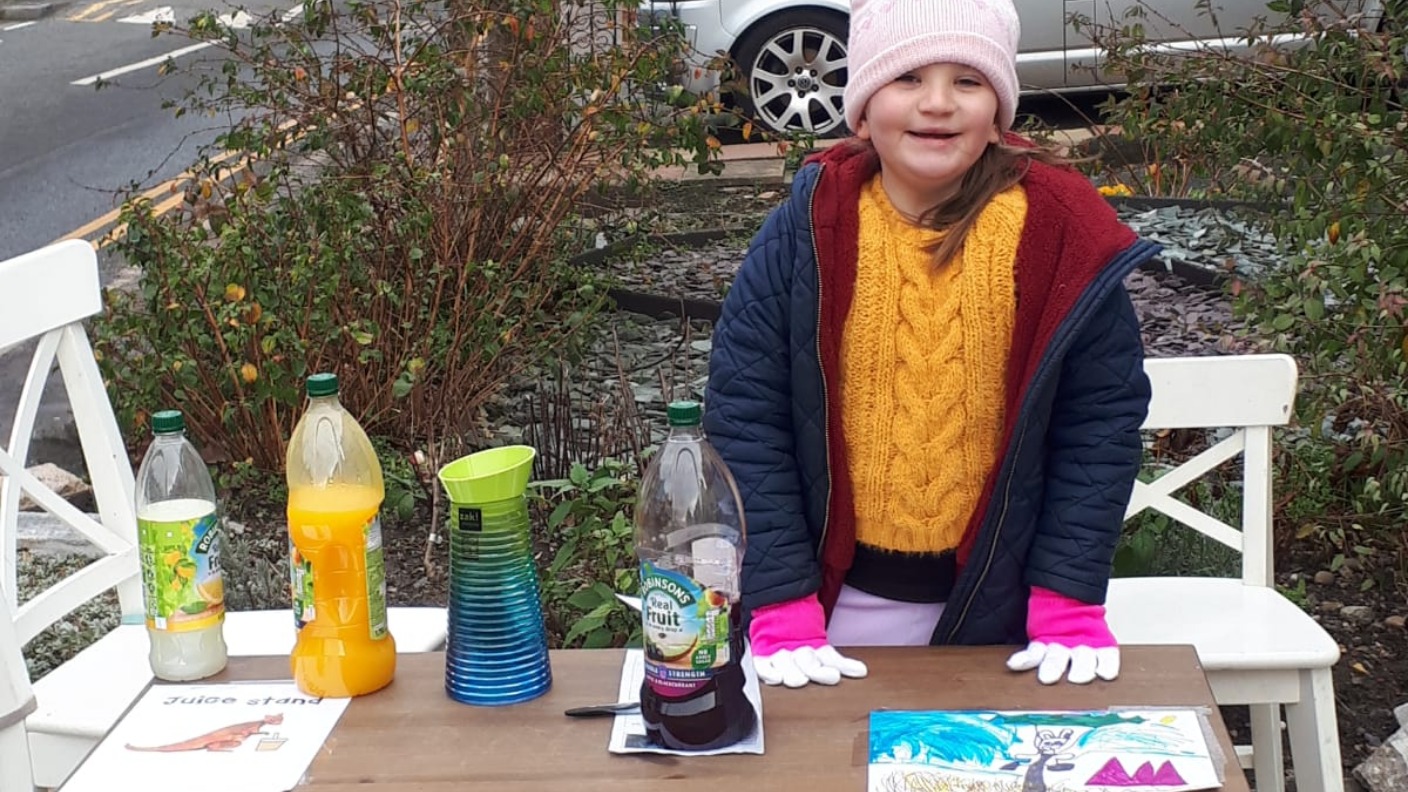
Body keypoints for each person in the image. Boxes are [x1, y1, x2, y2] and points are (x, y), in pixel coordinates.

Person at [702, 0, 1159, 689]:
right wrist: (781, 600)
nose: (938, 102)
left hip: (1004, 615)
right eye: (908, 77)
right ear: (861, 109)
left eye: (968, 81)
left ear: (999, 111)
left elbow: (1098, 422)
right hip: (827, 613)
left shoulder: (1059, 235)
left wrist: (1065, 598)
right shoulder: (807, 232)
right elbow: (747, 419)